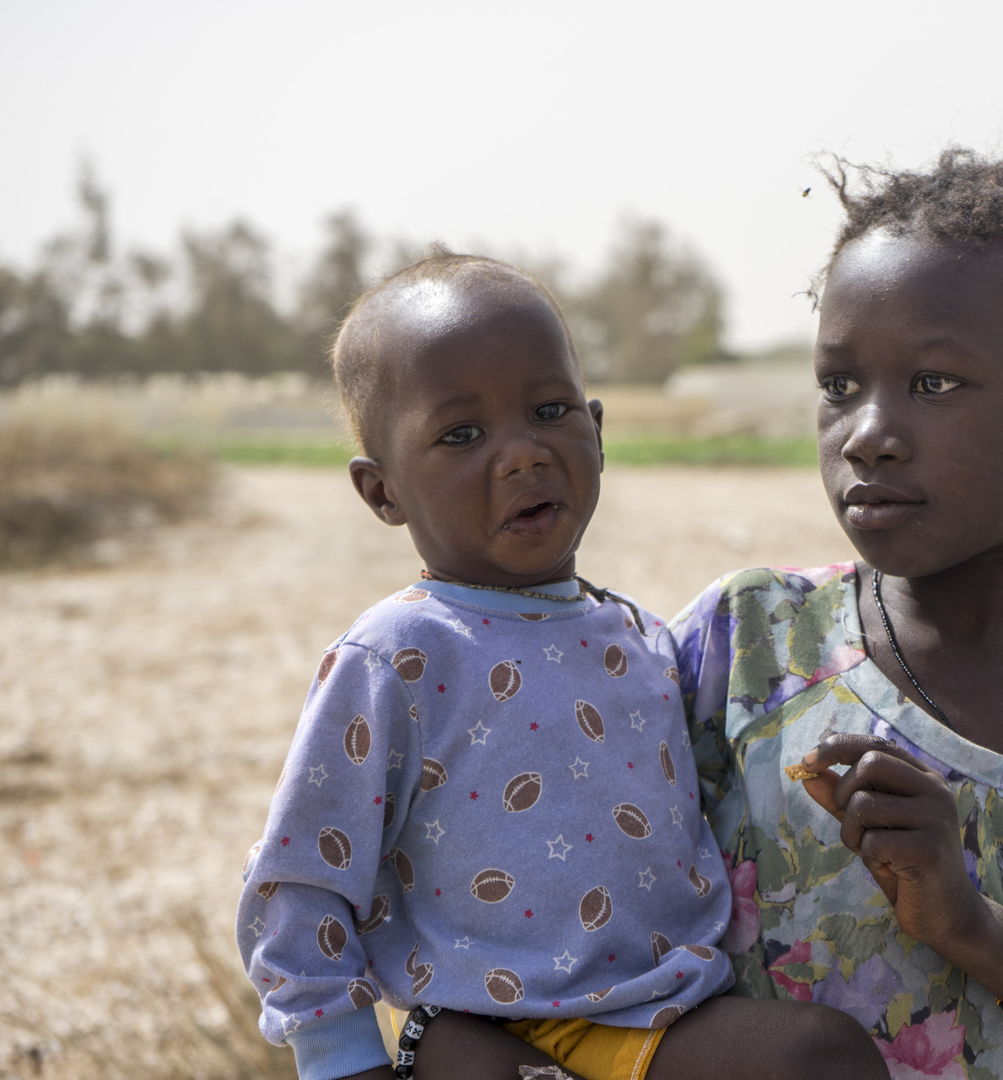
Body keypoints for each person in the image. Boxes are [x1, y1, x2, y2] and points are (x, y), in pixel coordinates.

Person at [417, 149, 1003, 1080]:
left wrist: (973, 927)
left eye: (934, 384)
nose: (867, 433)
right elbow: (562, 868)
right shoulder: (747, 645)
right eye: (838, 386)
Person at [234, 253, 890, 1080]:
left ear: (599, 432)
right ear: (382, 492)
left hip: (660, 1016)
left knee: (823, 1058)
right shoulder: (397, 654)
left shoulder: (644, 640)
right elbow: (299, 876)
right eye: (461, 434)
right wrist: (337, 1055)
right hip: (485, 1027)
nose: (521, 454)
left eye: (550, 410)